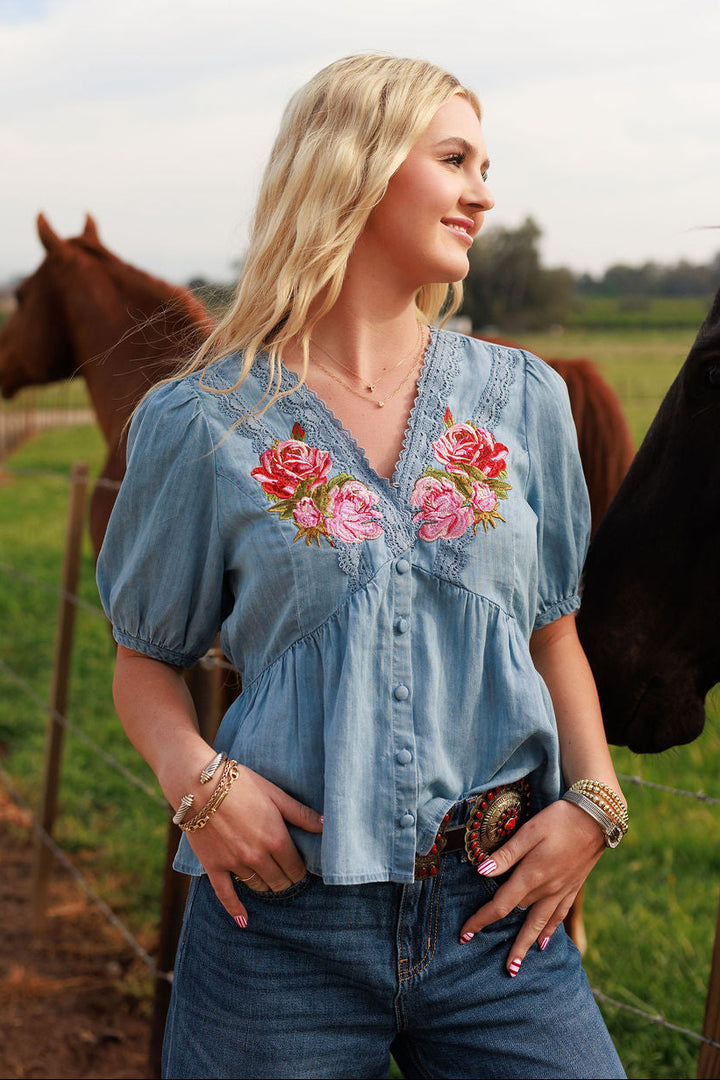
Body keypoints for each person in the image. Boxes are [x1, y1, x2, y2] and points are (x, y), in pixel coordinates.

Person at [97, 53, 627, 1080]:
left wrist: (595, 805)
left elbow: (553, 632)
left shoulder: (523, 400)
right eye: (455, 158)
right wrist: (199, 784)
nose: (483, 191)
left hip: (499, 920)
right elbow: (143, 660)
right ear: (359, 169)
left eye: (488, 163)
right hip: (281, 922)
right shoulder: (207, 420)